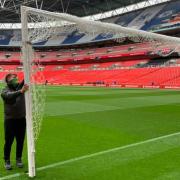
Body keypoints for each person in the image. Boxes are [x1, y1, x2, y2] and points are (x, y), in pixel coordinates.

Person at [1, 73, 29, 170]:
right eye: (13, 78)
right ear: (8, 81)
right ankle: (7, 160)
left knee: (20, 141)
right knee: (9, 141)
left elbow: (26, 79)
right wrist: (21, 91)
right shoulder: (4, 90)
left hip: (21, 119)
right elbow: (8, 96)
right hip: (10, 121)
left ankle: (18, 158)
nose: (16, 79)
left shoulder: (19, 87)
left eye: (16, 78)